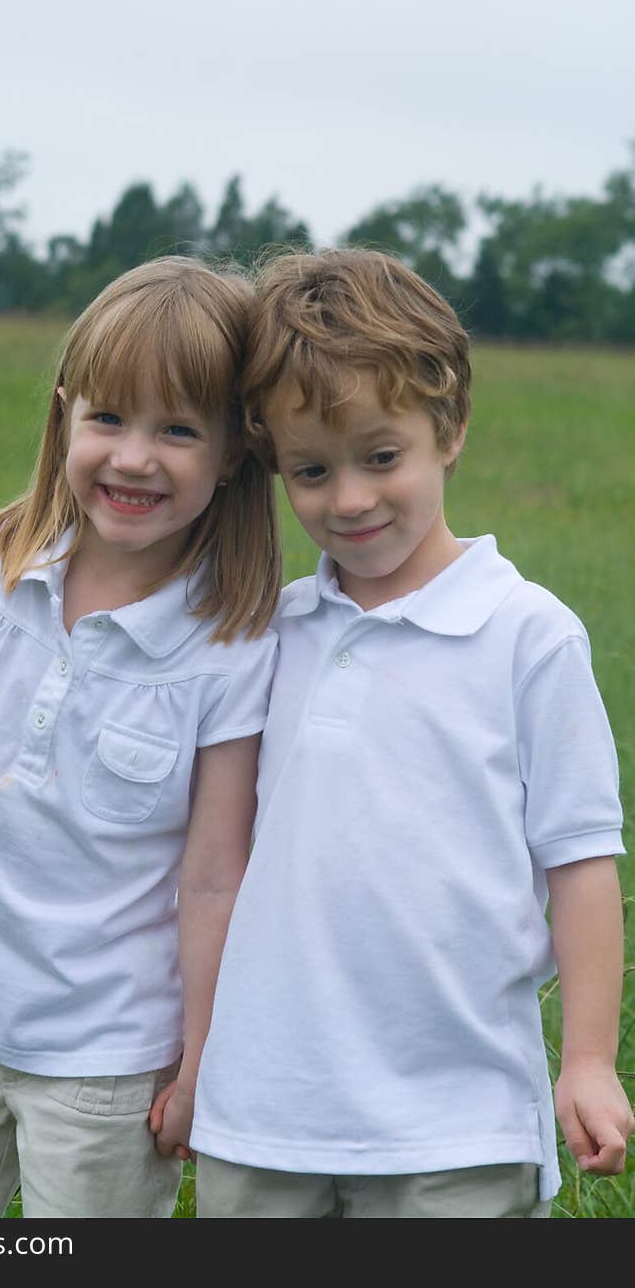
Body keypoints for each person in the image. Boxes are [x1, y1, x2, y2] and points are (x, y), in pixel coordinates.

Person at [189, 247, 633, 1218]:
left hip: (457, 1122)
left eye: (380, 457)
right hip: (261, 1114)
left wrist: (588, 1059)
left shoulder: (526, 634)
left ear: (450, 428)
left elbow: (582, 861)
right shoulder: (266, 630)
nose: (347, 499)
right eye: (309, 471)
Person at [0, 256, 281, 1219]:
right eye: (108, 419)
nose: (134, 458)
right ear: (64, 417)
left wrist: (199, 1050)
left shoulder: (231, 646)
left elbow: (215, 872)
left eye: (177, 430)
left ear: (232, 454)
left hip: (109, 1066)